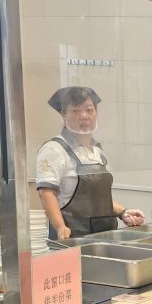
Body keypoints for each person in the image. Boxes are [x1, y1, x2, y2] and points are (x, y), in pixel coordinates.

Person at [35, 86, 143, 240]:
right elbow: (46, 193)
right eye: (76, 111)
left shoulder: (97, 151)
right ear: (64, 114)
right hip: (73, 238)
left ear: (96, 113)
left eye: (89, 110)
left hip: (105, 237)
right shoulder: (54, 149)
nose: (84, 116)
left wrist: (123, 212)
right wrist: (60, 227)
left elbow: (98, 199)